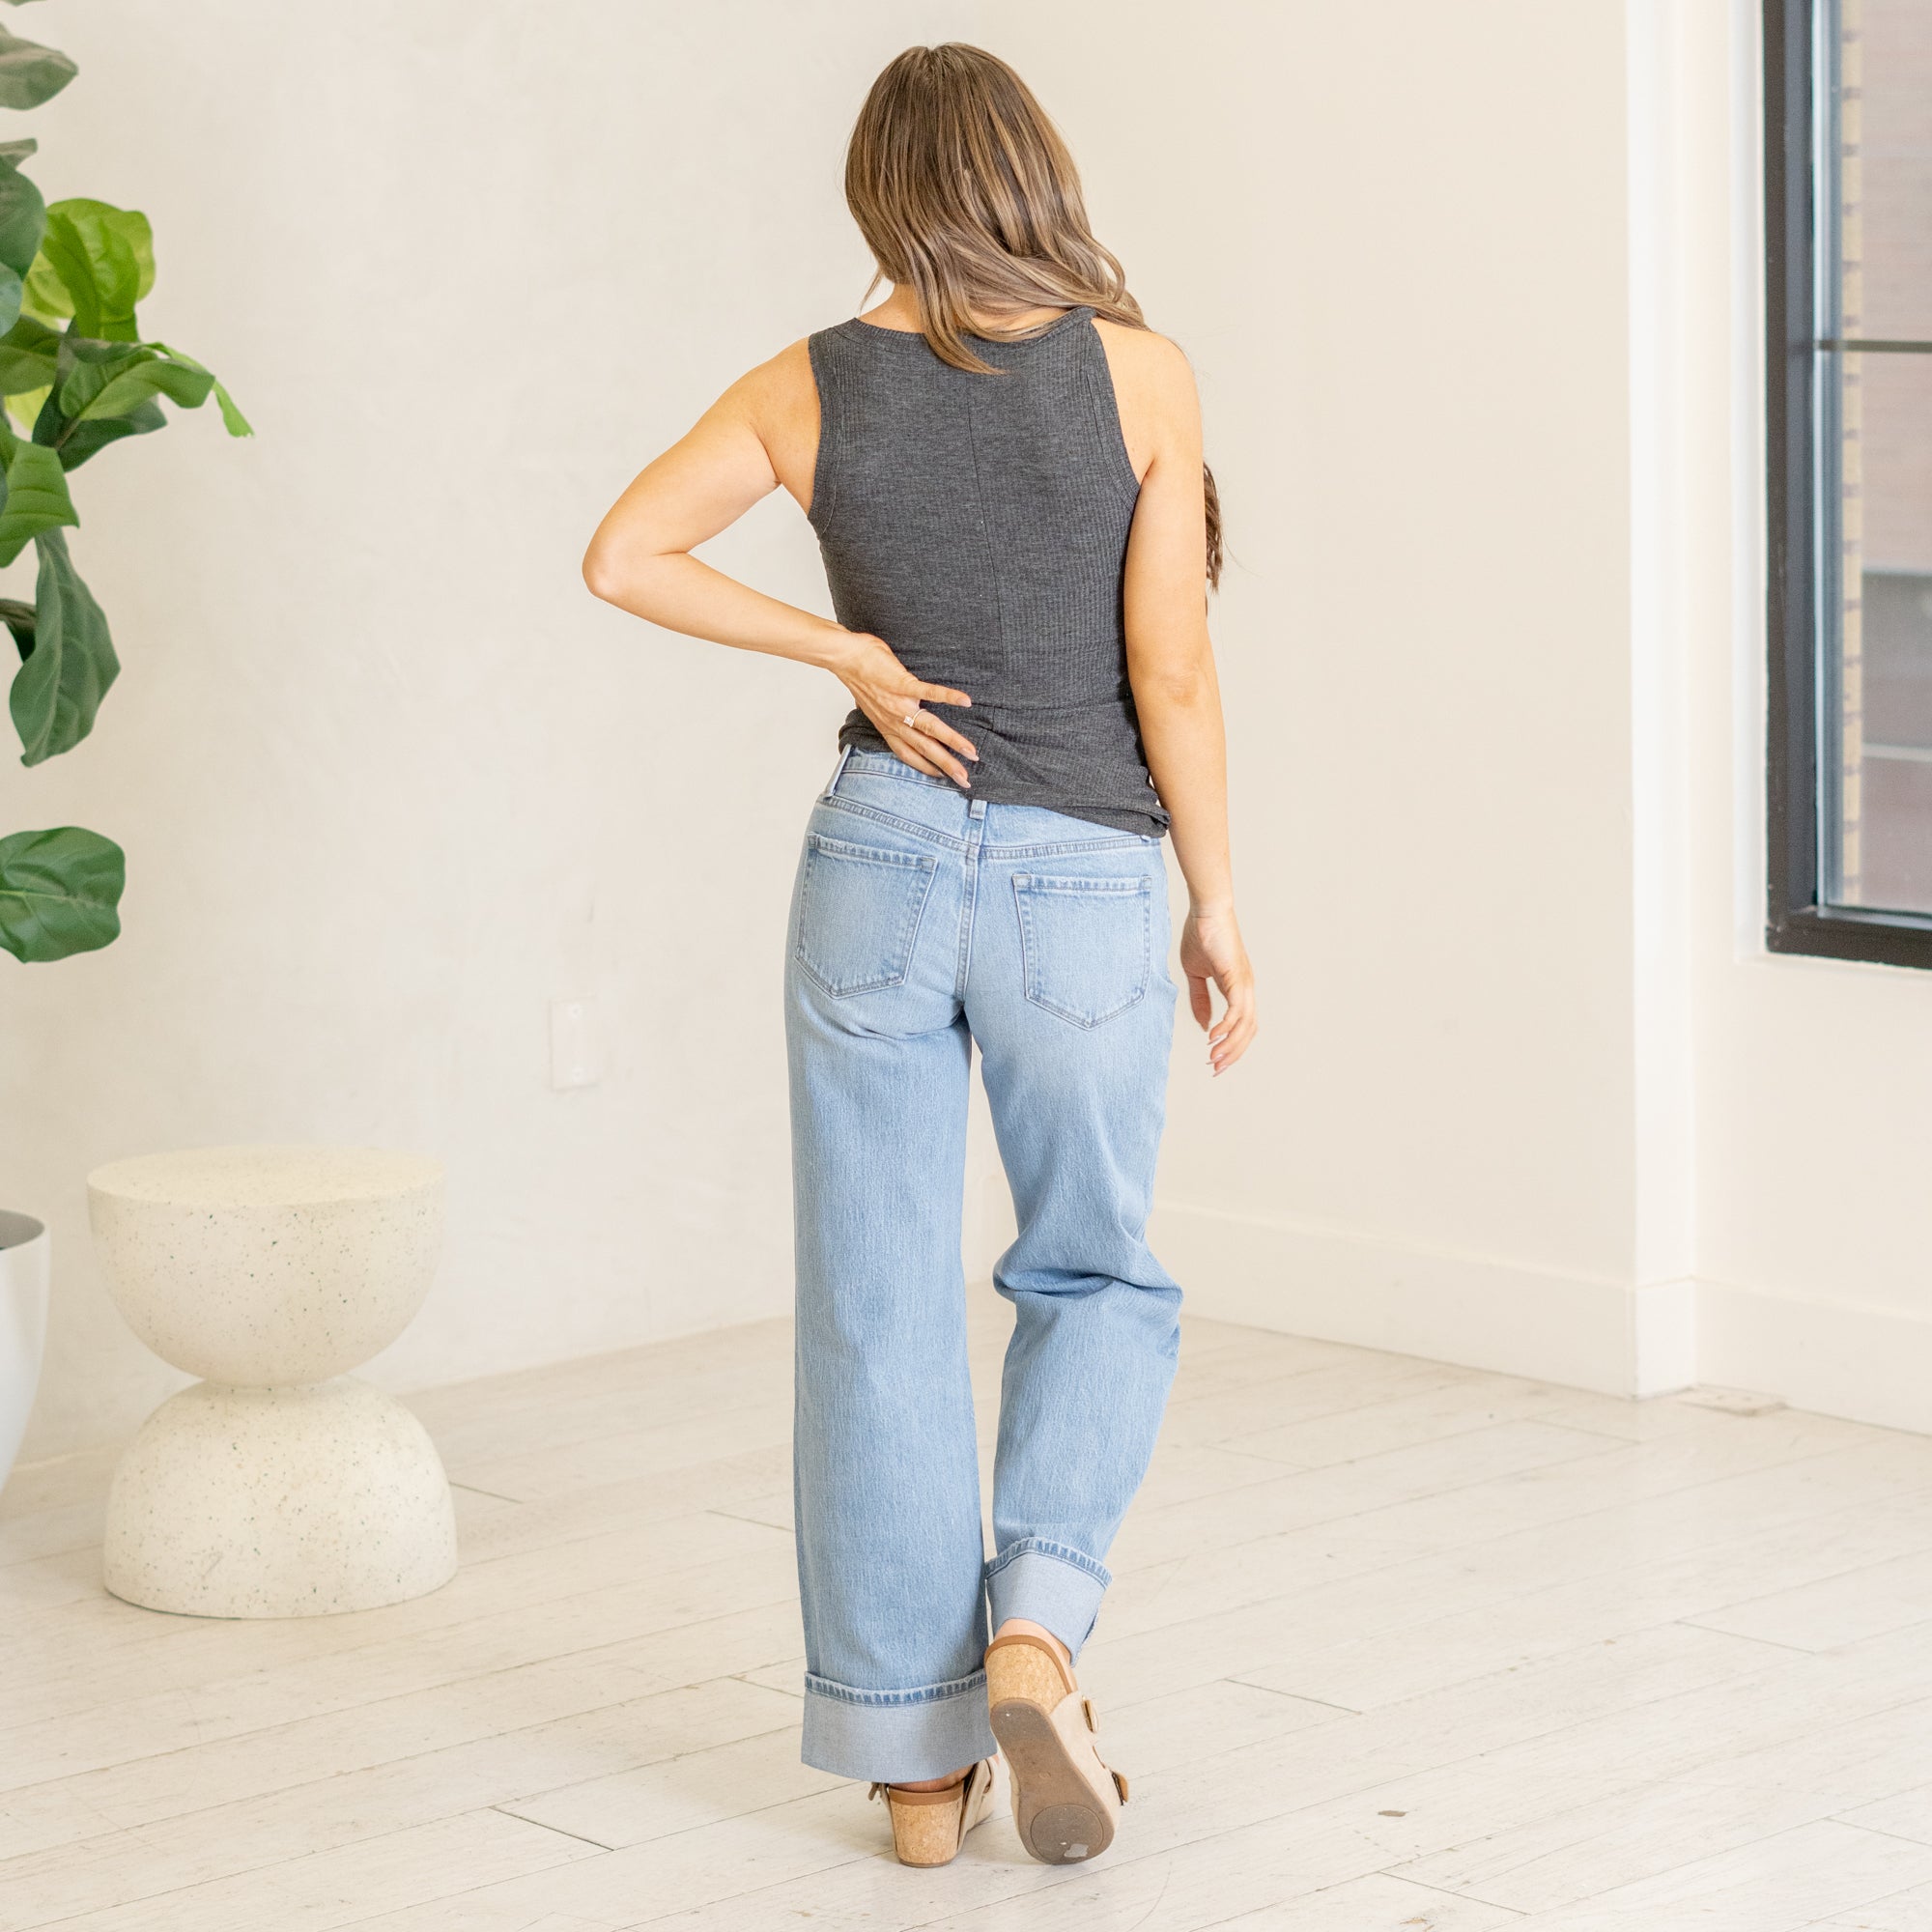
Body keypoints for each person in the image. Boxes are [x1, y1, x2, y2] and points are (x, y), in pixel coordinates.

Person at [583, 41, 1256, 1871]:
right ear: (1037, 171)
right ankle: (1037, 1628)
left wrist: (848, 656)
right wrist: (1214, 897)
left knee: (878, 1305)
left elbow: (625, 555)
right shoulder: (1139, 372)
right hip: (1079, 879)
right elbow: (1172, 668)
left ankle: (911, 1776)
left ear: (877, 189)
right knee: (1094, 1272)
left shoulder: (805, 384)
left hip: (876, 854)